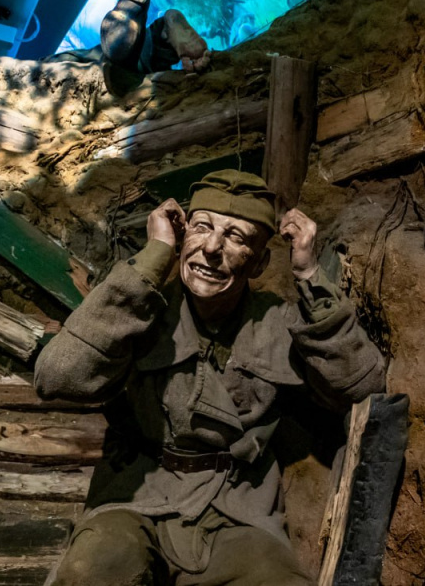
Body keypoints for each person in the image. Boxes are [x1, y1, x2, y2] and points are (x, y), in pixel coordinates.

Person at [34, 171, 385, 585]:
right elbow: (55, 376)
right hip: (138, 500)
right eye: (202, 228)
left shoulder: (280, 323)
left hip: (237, 510)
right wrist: (155, 255)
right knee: (89, 571)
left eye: (236, 237)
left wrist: (310, 275)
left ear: (259, 262)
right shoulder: (143, 309)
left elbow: (364, 389)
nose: (212, 248)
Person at [49, 0, 213, 96]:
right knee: (116, 57)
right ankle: (162, 32)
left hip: (118, 66)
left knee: (97, 60)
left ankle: (139, 34)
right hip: (137, 61)